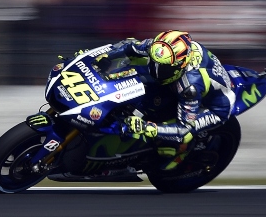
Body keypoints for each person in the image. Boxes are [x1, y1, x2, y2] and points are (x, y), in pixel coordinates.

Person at [94, 30, 235, 170]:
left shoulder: (189, 86)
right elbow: (129, 47)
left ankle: (177, 150)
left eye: (164, 69)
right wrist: (104, 57)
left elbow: (184, 129)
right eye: (155, 64)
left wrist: (146, 127)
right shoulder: (159, 47)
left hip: (217, 108)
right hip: (187, 81)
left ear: (179, 66)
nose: (156, 70)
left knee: (180, 134)